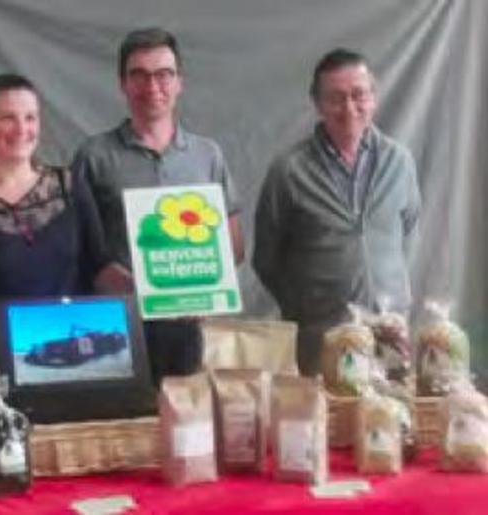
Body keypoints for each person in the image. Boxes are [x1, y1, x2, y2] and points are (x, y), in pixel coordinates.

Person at [71, 27, 244, 384]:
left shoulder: (206, 155)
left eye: (164, 75)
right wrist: (106, 276)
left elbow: (235, 246)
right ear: (123, 84)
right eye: (139, 75)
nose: (153, 87)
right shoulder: (94, 156)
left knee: (187, 429)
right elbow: (76, 246)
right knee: (125, 428)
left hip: (189, 328)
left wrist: (208, 287)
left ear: (179, 82)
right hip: (118, 326)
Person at [0, 74, 127, 371]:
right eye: (8, 118)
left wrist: (152, 291)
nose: (21, 129)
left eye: (30, 118)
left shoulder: (71, 187)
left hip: (71, 367)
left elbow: (100, 266)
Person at [253, 48, 421, 376]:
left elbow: (409, 235)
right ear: (318, 104)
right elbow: (266, 258)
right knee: (329, 425)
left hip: (390, 337)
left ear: (373, 97)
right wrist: (307, 307)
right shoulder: (289, 171)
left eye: (359, 95)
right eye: (336, 98)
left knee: (389, 422)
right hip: (323, 342)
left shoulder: (399, 162)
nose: (349, 108)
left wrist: (394, 301)